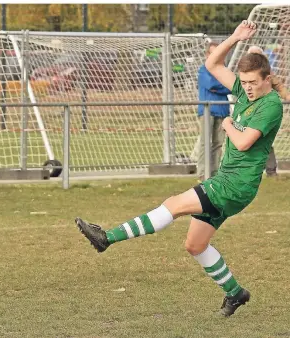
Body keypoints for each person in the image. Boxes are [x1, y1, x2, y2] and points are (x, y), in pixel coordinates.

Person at [75, 20, 283, 317]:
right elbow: (212, 63)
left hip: (235, 185)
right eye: (244, 82)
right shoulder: (246, 88)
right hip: (228, 181)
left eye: (253, 83)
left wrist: (226, 123)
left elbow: (244, 142)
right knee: (195, 245)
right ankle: (236, 293)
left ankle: (107, 238)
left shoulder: (271, 105)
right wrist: (236, 37)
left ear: (267, 79)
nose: (247, 88)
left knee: (173, 205)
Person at [247, 45, 290, 177]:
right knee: (247, 141)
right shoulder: (243, 72)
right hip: (248, 111)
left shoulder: (268, 73)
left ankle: (271, 171)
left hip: (265, 110)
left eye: (258, 55)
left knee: (265, 140)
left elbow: (279, 86)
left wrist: (288, 97)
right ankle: (249, 171)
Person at [196, 41, 231, 180]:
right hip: (207, 111)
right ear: (207, 55)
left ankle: (214, 173)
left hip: (223, 111)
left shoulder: (224, 70)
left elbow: (231, 86)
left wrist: (223, 86)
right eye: (213, 53)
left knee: (218, 143)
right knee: (205, 142)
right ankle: (203, 173)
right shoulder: (203, 70)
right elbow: (212, 85)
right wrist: (224, 85)